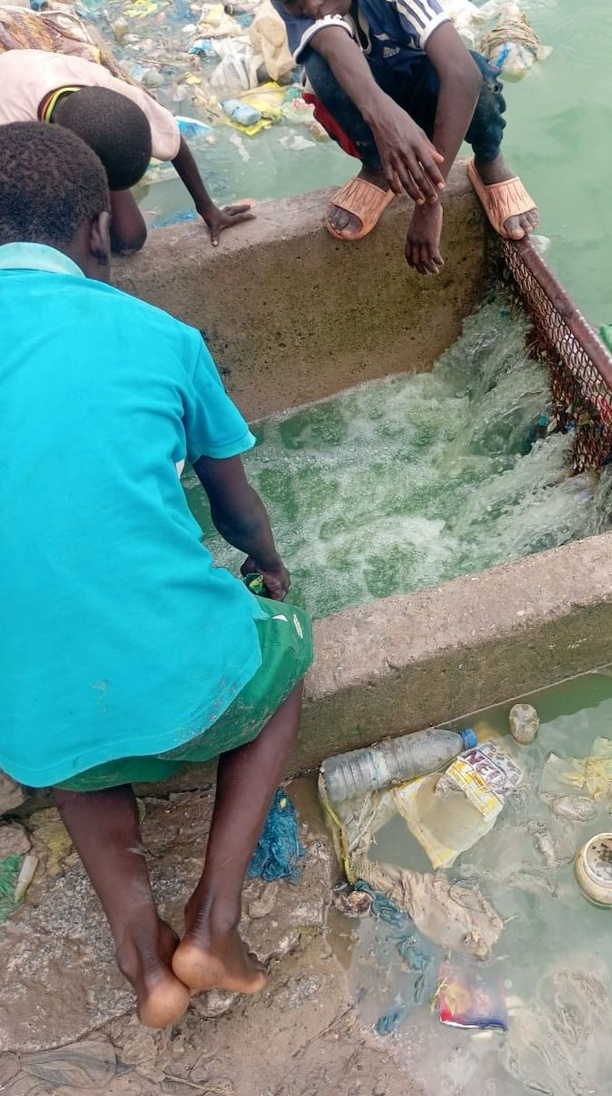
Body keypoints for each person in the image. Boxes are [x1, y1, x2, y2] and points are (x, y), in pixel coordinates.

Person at [0, 120, 313, 1028]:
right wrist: (267, 561)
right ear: (97, 230)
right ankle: (214, 923)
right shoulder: (156, 335)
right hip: (186, 690)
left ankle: (146, 964)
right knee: (284, 664)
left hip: (29, 723)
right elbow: (234, 505)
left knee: (59, 712)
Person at [271, 0, 538, 275]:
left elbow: (462, 74)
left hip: (429, 92)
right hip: (368, 93)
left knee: (478, 76)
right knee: (319, 68)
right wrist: (387, 120)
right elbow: (332, 45)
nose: (311, 10)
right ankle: (377, 167)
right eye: (296, 5)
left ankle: (489, 158)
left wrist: (429, 200)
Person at [0, 49, 254, 252]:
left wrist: (207, 208)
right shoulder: (13, 137)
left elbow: (173, 141)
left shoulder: (116, 95)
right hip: (15, 91)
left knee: (129, 238)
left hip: (51, 90)